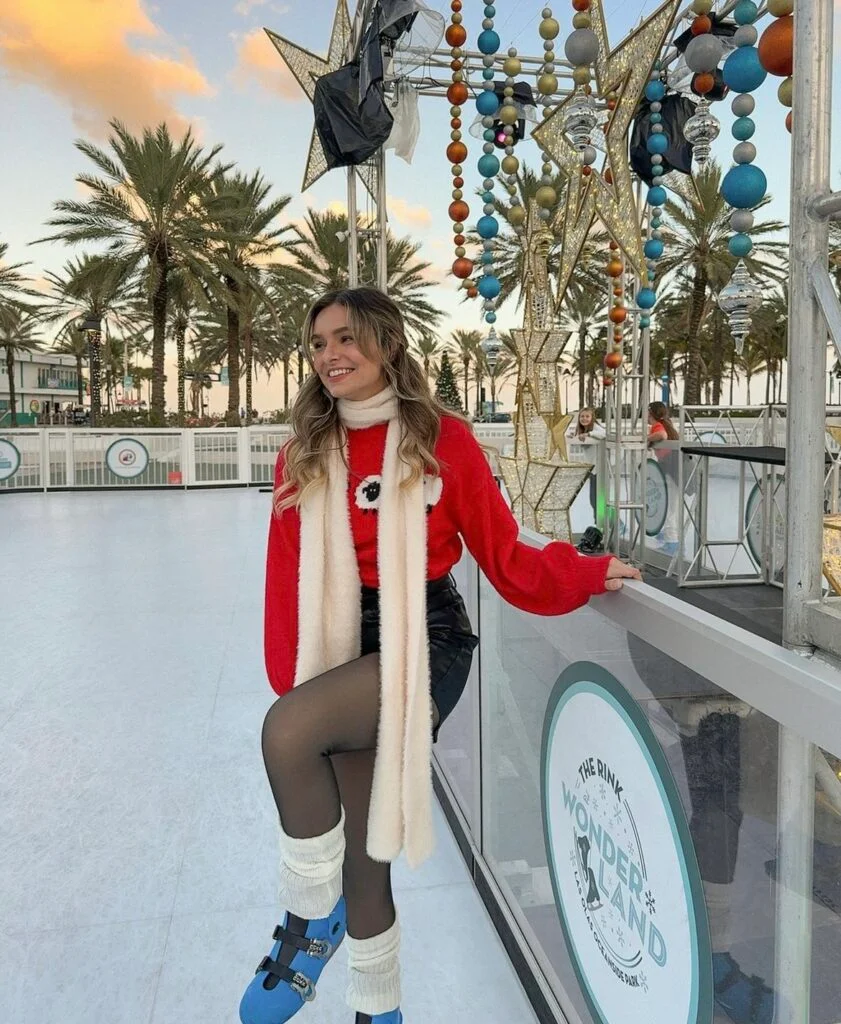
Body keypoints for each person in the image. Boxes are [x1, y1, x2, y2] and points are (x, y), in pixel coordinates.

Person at [239, 287, 641, 1024]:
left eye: (344, 338)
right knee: (365, 850)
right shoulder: (301, 454)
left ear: (387, 343)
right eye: (318, 343)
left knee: (285, 732)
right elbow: (284, 570)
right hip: (339, 640)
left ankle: (304, 925)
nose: (329, 355)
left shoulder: (441, 441)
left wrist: (583, 571)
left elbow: (502, 550)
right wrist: (292, 674)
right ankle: (377, 1009)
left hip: (424, 635)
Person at [647, 401, 681, 554]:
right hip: (674, 469)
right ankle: (668, 536)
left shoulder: (658, 426)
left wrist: (647, 438)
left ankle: (672, 540)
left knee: (669, 506)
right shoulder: (667, 424)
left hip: (671, 470)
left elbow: (662, 435)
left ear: (651, 414)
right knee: (670, 504)